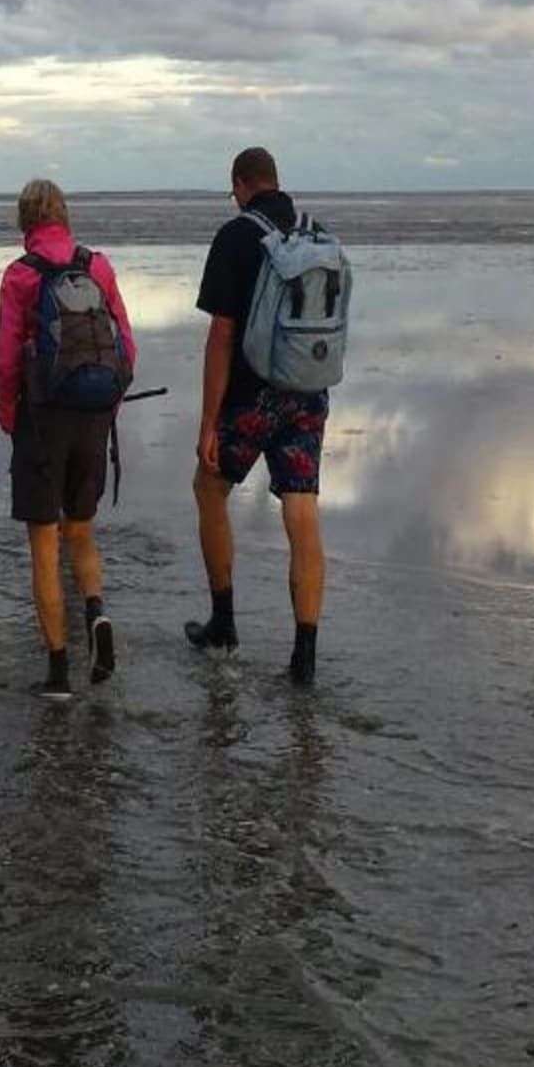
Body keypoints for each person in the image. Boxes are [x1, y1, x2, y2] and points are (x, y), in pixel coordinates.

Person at [186, 148, 332, 685]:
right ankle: (305, 657)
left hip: (252, 396)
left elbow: (221, 335)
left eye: (233, 190)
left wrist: (208, 423)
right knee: (302, 513)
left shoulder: (236, 236)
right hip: (309, 393)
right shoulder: (315, 233)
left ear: (241, 184)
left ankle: (223, 623)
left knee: (208, 488)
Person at [0, 180, 137, 700]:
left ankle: (57, 671)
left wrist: (10, 416)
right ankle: (95, 610)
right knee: (81, 530)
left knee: (42, 542)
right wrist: (109, 403)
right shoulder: (97, 266)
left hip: (44, 418)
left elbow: (9, 359)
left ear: (25, 222)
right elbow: (127, 344)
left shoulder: (21, 275)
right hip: (95, 413)